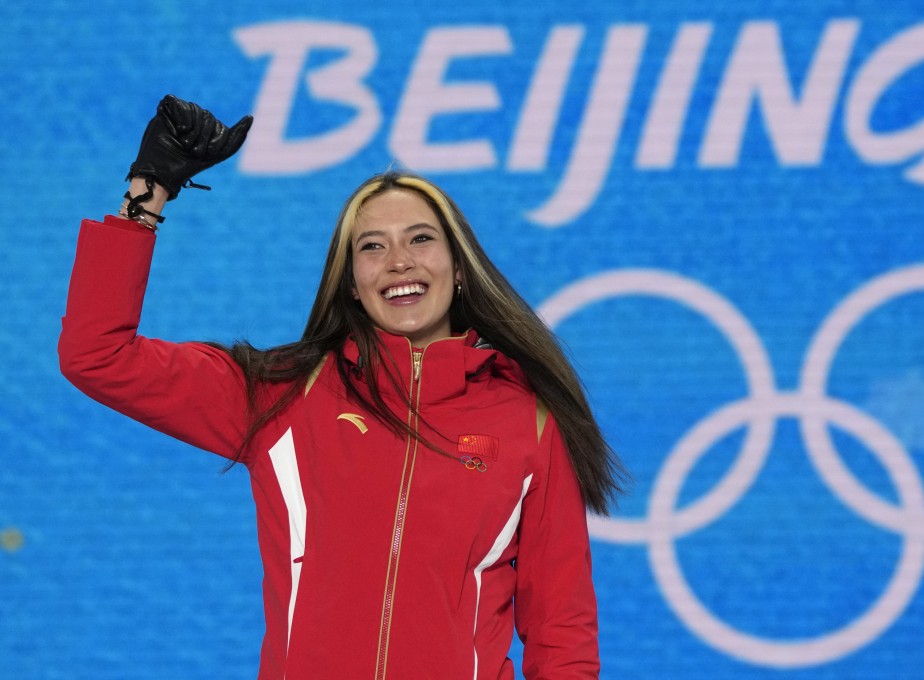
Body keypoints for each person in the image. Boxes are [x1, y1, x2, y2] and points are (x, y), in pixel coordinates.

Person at [59, 95, 624, 680]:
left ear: (460, 270)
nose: (398, 262)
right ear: (352, 282)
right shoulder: (284, 395)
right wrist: (147, 192)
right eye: (372, 247)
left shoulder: (526, 423)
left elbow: (562, 637)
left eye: (421, 240)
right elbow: (97, 354)